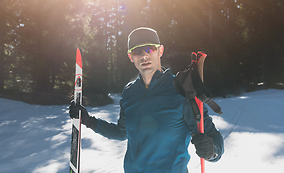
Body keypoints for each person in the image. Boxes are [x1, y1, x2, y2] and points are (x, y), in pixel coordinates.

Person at [69, 27, 224, 173]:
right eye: (137, 51)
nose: (144, 55)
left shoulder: (182, 91)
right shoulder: (130, 92)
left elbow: (213, 137)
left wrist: (212, 151)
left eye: (150, 48)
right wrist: (88, 121)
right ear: (130, 57)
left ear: (160, 51)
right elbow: (121, 132)